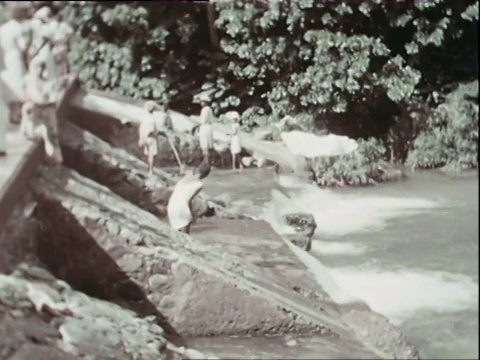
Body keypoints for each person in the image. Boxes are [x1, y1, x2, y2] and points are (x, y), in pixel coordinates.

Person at [24, 56, 61, 161]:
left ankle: (55, 146)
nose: (40, 70)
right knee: (45, 123)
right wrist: (47, 98)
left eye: (41, 68)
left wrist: (50, 95)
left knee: (51, 111)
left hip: (43, 111)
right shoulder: (30, 81)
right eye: (37, 68)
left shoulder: (44, 82)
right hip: (34, 116)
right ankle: (52, 150)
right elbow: (37, 98)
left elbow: (53, 96)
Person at [0, 4, 31, 123]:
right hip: (15, 57)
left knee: (9, 82)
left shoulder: (2, 29)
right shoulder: (18, 28)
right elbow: (23, 46)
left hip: (5, 57)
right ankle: (17, 113)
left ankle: (12, 113)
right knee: (18, 82)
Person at [167, 159, 211, 234]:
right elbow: (189, 200)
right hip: (182, 208)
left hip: (171, 206)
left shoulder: (187, 176)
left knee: (176, 234)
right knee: (186, 235)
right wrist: (192, 215)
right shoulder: (199, 184)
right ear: (205, 175)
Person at [197, 95, 214, 163]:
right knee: (209, 145)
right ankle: (210, 162)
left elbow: (203, 120)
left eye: (202, 102)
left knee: (204, 146)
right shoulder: (209, 109)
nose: (201, 103)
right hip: (209, 127)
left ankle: (206, 162)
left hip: (204, 127)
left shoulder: (204, 110)